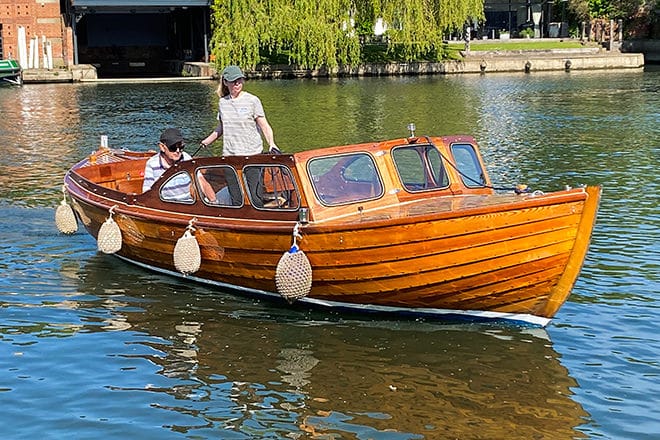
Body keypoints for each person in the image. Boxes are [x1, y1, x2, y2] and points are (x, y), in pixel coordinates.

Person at [200, 65, 279, 156]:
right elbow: (222, 127)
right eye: (233, 81)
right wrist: (207, 141)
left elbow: (264, 126)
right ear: (225, 82)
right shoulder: (222, 102)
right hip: (229, 155)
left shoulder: (252, 100)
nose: (237, 83)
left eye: (239, 80)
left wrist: (272, 144)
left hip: (252, 154)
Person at [143, 127, 216, 202]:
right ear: (162, 147)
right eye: (173, 147)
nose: (178, 151)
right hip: (165, 206)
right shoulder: (152, 164)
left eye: (181, 147)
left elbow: (201, 182)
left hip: (190, 204)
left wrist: (213, 202)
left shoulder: (186, 158)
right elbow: (147, 192)